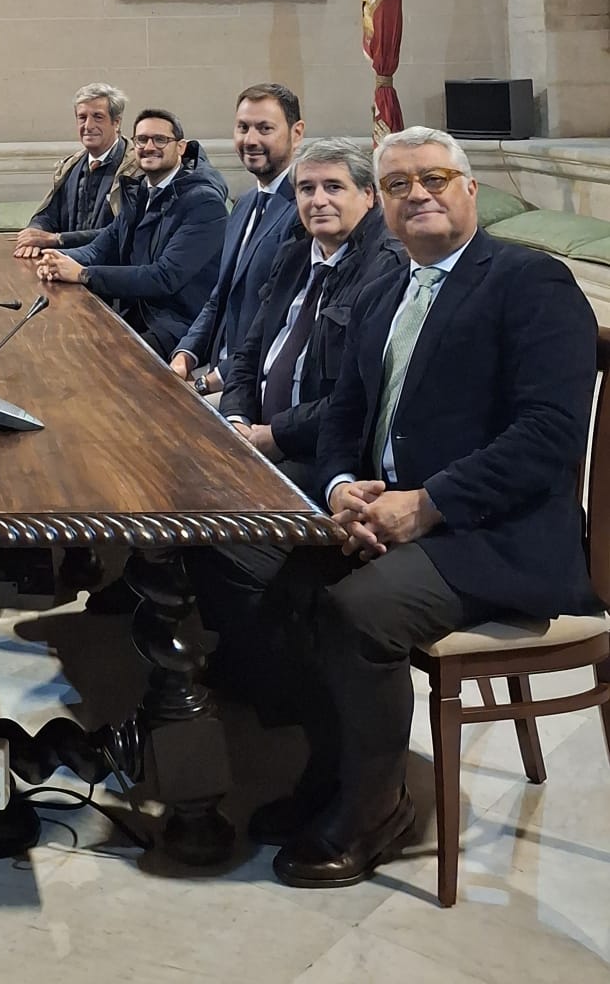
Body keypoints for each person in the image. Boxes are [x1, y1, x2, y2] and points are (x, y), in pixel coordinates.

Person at [221, 129, 599, 889]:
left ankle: (375, 809)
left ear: (469, 188)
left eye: (434, 178)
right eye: (398, 185)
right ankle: (329, 771)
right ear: (384, 206)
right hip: (397, 514)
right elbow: (344, 413)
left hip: (499, 532)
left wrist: (427, 505)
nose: (417, 194)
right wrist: (339, 487)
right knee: (274, 577)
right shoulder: (387, 288)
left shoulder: (530, 280)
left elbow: (549, 436)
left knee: (358, 610)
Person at [218, 137, 403, 501]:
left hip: (320, 452)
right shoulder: (295, 253)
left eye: (333, 187)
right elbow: (249, 353)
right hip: (256, 430)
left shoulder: (387, 267)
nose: (318, 200)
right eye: (306, 188)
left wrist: (277, 435)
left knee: (215, 501)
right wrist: (236, 419)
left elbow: (360, 395)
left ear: (368, 195)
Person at [36, 109, 228, 357]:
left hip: (179, 328)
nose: (149, 147)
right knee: (61, 340)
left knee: (98, 360)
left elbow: (164, 277)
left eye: (160, 140)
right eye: (142, 140)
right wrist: (56, 260)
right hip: (136, 313)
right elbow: (100, 248)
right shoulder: (139, 192)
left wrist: (83, 274)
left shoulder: (204, 203)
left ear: (180, 147)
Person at [172, 82, 305, 393]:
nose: (251, 140)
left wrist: (207, 383)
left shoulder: (304, 210)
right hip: (216, 372)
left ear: (296, 133)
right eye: (243, 127)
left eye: (265, 128)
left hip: (256, 386)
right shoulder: (243, 203)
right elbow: (220, 296)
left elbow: (280, 320)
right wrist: (184, 355)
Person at [13, 83, 130, 260]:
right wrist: (34, 234)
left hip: (112, 268)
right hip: (62, 263)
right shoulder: (72, 166)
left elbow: (123, 231)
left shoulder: (135, 170)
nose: (88, 125)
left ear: (116, 122)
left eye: (98, 117)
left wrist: (58, 239)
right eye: (82, 117)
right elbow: (49, 215)